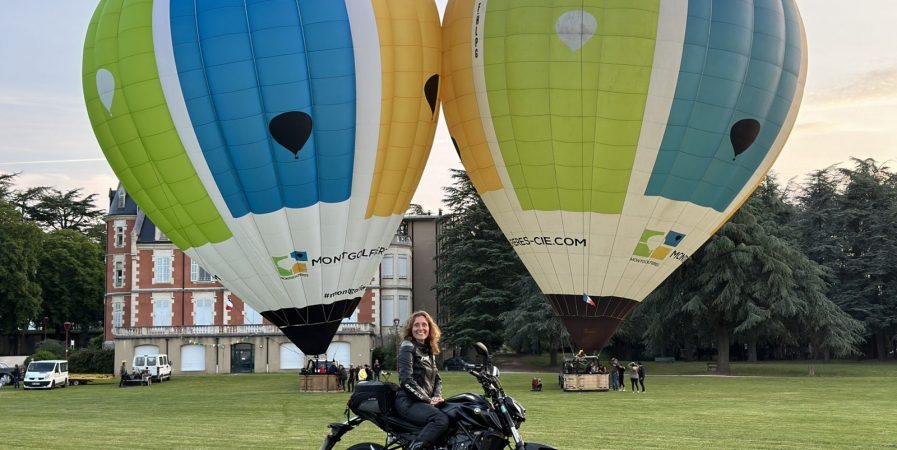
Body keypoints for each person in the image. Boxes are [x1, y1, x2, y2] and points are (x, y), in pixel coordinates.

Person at [395, 311, 449, 450]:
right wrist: (427, 400)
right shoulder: (407, 347)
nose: (421, 328)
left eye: (424, 325)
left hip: (422, 401)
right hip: (408, 401)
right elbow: (406, 380)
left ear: (430, 328)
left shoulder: (428, 350)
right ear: (410, 329)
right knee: (440, 420)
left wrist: (436, 396)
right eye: (416, 325)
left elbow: (437, 378)